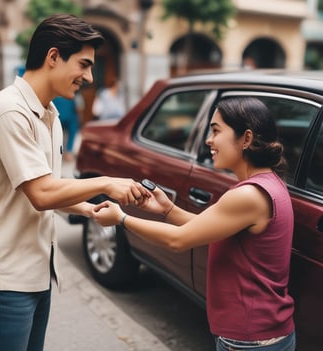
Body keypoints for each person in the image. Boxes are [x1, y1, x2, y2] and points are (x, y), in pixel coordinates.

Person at [0, 14, 149, 351]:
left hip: (35, 272)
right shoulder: (9, 111)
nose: (89, 77)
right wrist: (107, 182)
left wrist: (91, 211)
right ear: (52, 57)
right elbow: (42, 193)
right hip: (5, 277)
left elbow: (51, 189)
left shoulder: (50, 115)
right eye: (84, 64)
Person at [93, 97, 296, 351]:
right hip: (263, 333)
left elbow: (178, 240)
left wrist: (121, 218)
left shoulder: (249, 196)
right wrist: (167, 209)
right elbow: (205, 228)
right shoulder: (267, 184)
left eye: (216, 131)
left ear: (246, 139)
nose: (208, 140)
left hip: (249, 339)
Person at [53, 94, 83, 161]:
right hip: (59, 119)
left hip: (67, 119)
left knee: (71, 131)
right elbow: (79, 109)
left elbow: (79, 108)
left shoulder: (75, 95)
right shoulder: (74, 94)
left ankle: (67, 152)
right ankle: (66, 152)